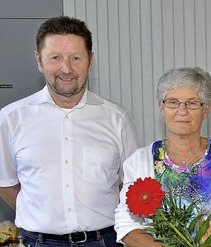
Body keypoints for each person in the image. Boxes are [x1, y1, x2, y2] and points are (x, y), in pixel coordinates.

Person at [0, 16, 139, 246]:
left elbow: (132, 185)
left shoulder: (118, 119)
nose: (66, 69)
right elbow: (5, 183)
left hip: (105, 240)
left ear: (90, 61)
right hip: (39, 242)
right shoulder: (11, 119)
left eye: (76, 58)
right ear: (39, 60)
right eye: (55, 58)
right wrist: (40, 214)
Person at [114, 67, 211, 247]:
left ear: (205, 110)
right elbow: (126, 222)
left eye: (191, 103)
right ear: (161, 108)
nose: (182, 110)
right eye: (173, 102)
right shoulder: (139, 161)